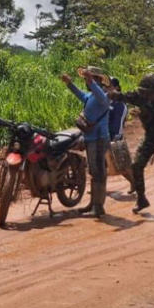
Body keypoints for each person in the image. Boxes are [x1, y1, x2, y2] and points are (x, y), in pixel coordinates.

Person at [109, 73, 154, 218]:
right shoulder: (140, 96)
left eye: (149, 93)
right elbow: (123, 96)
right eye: (144, 92)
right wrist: (110, 93)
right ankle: (141, 199)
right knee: (136, 166)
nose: (147, 96)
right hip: (150, 137)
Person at [61, 67, 111, 217]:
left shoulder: (103, 96)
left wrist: (91, 80)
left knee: (99, 173)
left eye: (88, 79)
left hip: (98, 139)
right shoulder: (91, 96)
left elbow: (100, 95)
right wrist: (70, 84)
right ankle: (93, 204)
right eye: (86, 79)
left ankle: (98, 207)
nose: (86, 82)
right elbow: (81, 95)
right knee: (94, 172)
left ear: (97, 80)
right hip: (92, 139)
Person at [106, 77, 135, 193]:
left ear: (117, 87)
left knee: (120, 165)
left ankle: (135, 182)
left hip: (115, 137)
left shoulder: (120, 104)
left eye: (110, 86)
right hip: (105, 135)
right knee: (105, 164)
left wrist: (115, 138)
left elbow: (118, 123)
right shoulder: (108, 101)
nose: (107, 88)